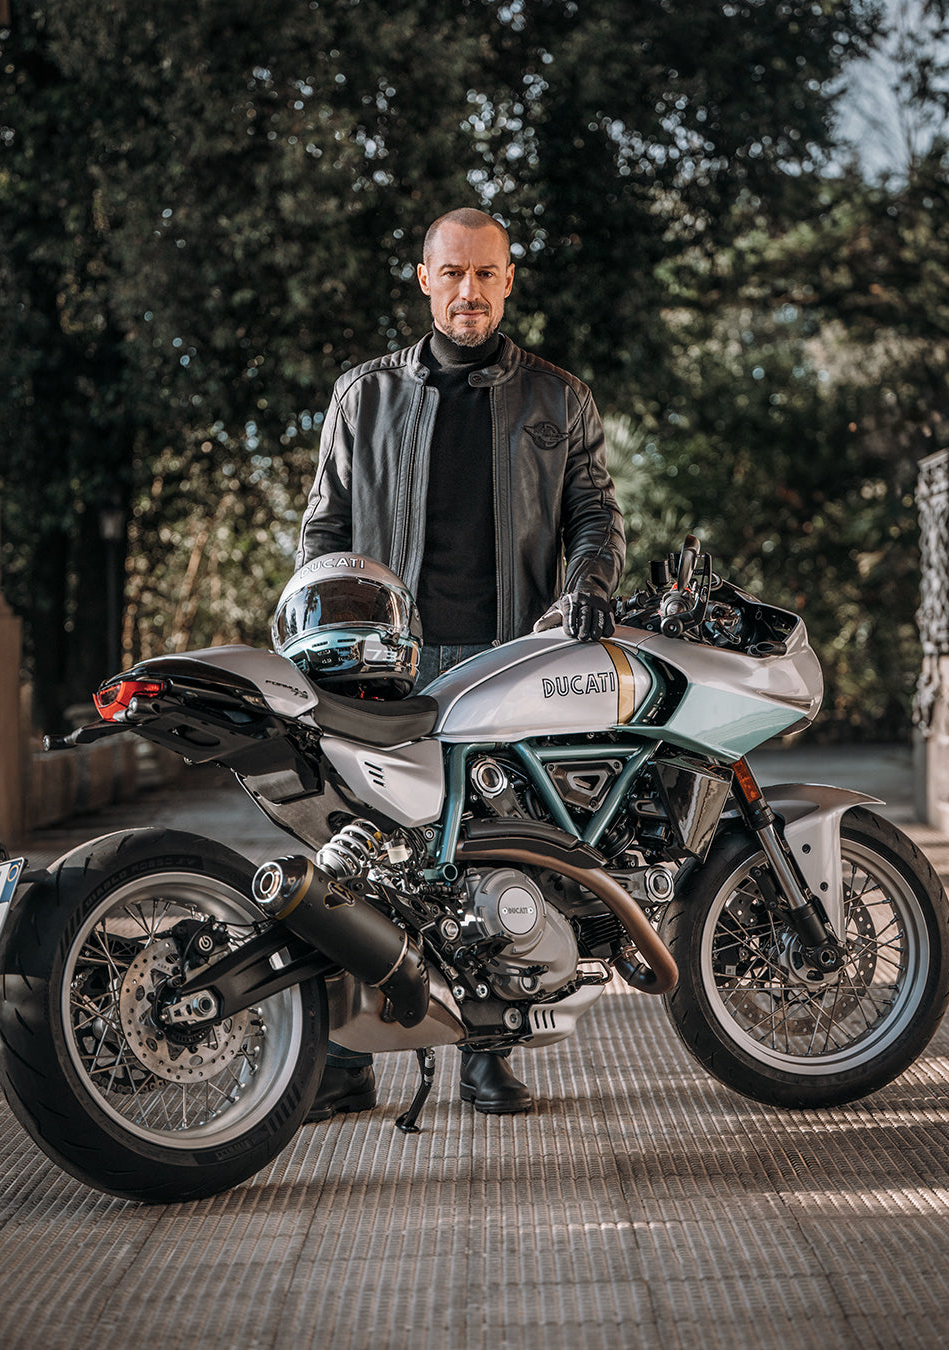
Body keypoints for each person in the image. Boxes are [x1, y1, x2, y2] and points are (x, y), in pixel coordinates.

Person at [297, 206, 626, 1120]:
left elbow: (595, 513)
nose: (469, 291)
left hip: (506, 660)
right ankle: (343, 1059)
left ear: (509, 280)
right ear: (424, 279)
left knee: (495, 853)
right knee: (357, 853)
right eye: (452, 273)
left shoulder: (558, 400)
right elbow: (323, 531)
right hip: (383, 665)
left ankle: (488, 1049)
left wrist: (590, 581)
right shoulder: (363, 397)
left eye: (486, 273)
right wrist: (321, 632)